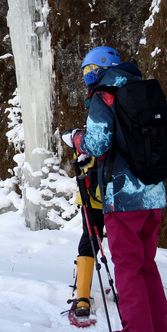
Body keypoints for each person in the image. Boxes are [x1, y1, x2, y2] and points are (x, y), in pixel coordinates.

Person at [64, 46, 167, 331]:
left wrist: (76, 139)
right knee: (147, 265)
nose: (88, 77)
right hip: (153, 193)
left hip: (123, 199)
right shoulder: (142, 91)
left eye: (88, 70)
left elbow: (97, 143)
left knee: (127, 269)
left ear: (100, 68)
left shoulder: (104, 95)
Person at [64, 154, 105, 324]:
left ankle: (82, 300)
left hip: (92, 198)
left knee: (90, 242)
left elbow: (78, 156)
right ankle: (131, 295)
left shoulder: (94, 134)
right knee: (124, 247)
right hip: (120, 199)